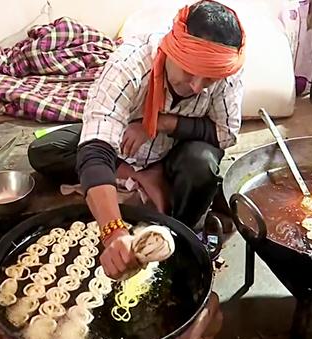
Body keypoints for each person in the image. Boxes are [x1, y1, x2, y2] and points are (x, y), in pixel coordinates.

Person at [28, 0, 246, 279]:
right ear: (172, 48)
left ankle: (185, 231)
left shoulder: (227, 73)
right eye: (190, 72)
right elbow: (97, 145)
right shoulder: (129, 63)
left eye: (208, 81)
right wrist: (114, 232)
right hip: (124, 149)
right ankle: (136, 175)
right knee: (45, 150)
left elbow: (225, 134)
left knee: (202, 163)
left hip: (173, 152)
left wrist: (158, 124)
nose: (196, 87)